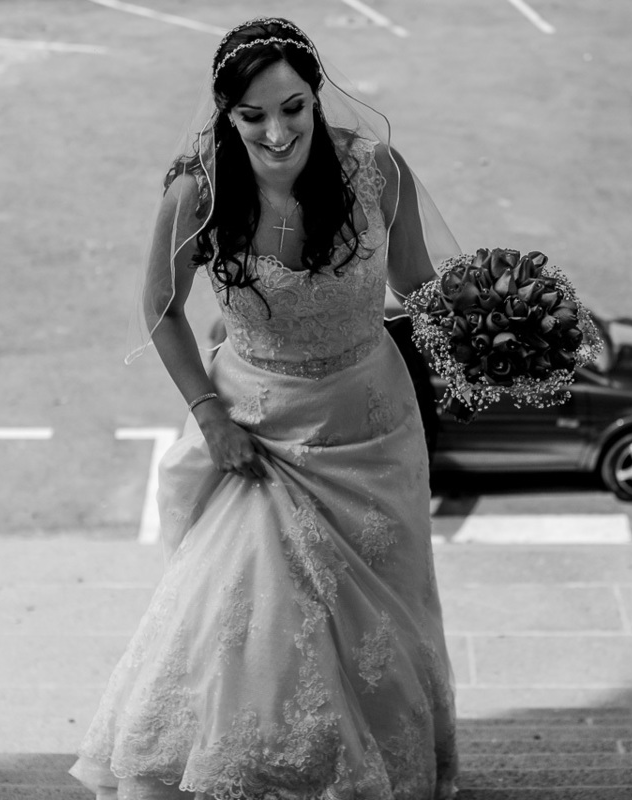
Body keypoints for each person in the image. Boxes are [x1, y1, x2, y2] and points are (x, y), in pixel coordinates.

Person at [70, 18, 458, 800]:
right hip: (259, 433)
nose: (277, 133)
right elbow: (159, 308)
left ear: (317, 97)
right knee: (247, 625)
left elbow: (418, 286)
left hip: (374, 432)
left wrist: (498, 331)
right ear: (226, 112)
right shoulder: (199, 192)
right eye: (253, 116)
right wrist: (210, 417)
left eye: (294, 108)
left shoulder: (375, 171)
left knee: (377, 629)